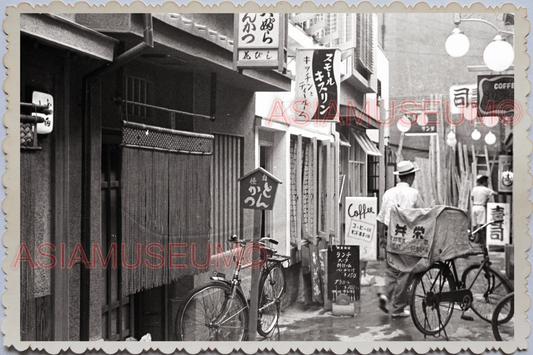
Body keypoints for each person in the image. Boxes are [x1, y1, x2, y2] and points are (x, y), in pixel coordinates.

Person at [376, 160, 424, 318]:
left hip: (391, 235)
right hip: (408, 238)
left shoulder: (388, 193)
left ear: (399, 177)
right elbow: (422, 216)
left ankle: (385, 294)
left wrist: (381, 238)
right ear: (411, 176)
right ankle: (397, 308)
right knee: (405, 272)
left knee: (391, 269)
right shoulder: (414, 194)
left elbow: (381, 218)